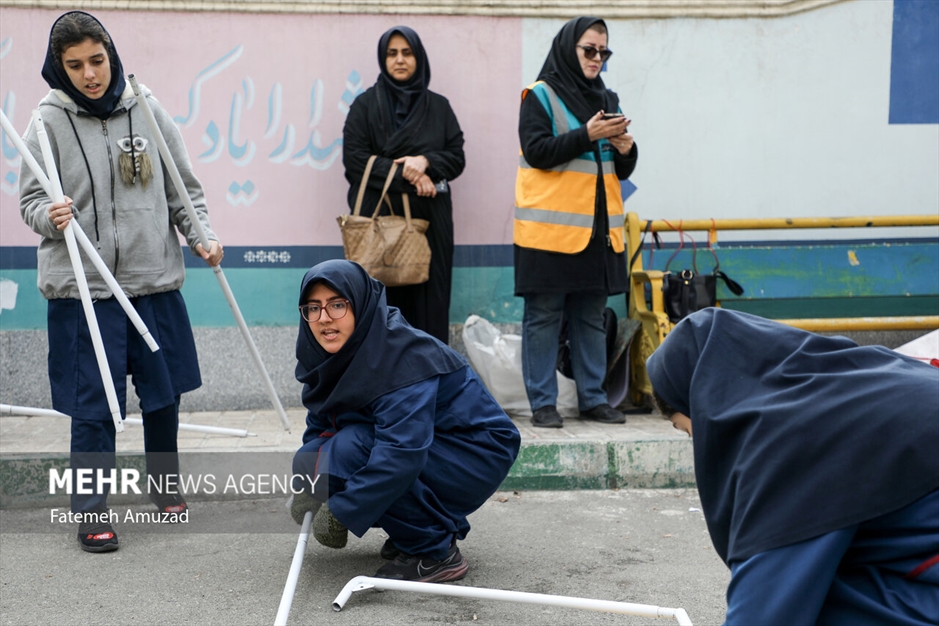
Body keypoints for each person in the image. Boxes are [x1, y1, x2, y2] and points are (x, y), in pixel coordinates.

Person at [18, 11, 223, 553]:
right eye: (76, 65)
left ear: (111, 54)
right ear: (58, 68)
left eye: (97, 60)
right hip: (82, 287)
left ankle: (164, 484)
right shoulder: (44, 122)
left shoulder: (147, 108)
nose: (90, 74)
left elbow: (183, 188)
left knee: (163, 396)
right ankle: (90, 511)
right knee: (93, 404)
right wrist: (50, 216)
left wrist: (202, 236)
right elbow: (30, 202)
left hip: (152, 279)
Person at [647, 308, 939, 625]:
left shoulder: (792, 439)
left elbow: (766, 610)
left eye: (690, 431)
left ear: (705, 407)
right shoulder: (835, 381)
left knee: (818, 594)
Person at [289, 260, 520, 582]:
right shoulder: (335, 354)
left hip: (475, 450)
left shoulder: (401, 355)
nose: (324, 318)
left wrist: (342, 510)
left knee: (350, 452)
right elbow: (322, 424)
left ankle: (435, 552)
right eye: (313, 308)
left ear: (360, 305)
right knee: (313, 458)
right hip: (428, 444)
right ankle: (416, 530)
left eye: (337, 305)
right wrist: (311, 483)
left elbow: (401, 453)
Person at [514, 17, 638, 429]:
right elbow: (537, 151)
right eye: (589, 50)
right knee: (544, 315)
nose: (597, 59)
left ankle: (593, 399)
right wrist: (587, 134)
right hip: (549, 230)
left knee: (590, 313)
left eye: (603, 52)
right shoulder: (540, 95)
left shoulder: (608, 96)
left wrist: (626, 147)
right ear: (569, 48)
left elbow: (620, 169)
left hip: (598, 230)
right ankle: (543, 404)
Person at [342, 26, 465, 344]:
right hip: (377, 225)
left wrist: (426, 162)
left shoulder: (438, 107)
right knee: (378, 307)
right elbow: (355, 160)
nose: (399, 60)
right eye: (391, 53)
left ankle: (429, 384)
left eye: (407, 53)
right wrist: (410, 175)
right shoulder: (365, 106)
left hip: (428, 227)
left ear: (418, 57)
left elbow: (456, 158)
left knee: (430, 305)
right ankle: (381, 387)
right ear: (383, 59)